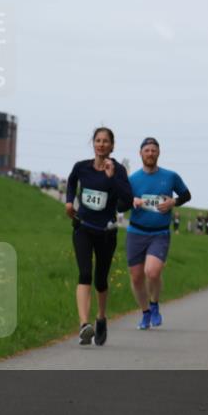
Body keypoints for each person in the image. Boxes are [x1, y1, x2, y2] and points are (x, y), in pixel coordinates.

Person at [65, 127, 133, 346]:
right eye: (98, 140)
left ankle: (101, 317)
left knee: (101, 279)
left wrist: (112, 178)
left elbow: (127, 200)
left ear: (112, 146)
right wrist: (69, 202)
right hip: (83, 227)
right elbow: (71, 180)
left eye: (106, 141)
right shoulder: (81, 167)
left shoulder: (118, 170)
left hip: (106, 232)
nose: (101, 144)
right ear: (93, 143)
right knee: (84, 273)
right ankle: (84, 325)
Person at [126, 137, 191, 330]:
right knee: (137, 277)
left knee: (152, 272)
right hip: (136, 231)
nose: (150, 153)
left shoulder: (170, 176)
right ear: (140, 153)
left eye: (154, 150)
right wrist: (133, 200)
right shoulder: (133, 179)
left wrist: (173, 202)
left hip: (160, 233)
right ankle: (145, 313)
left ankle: (154, 305)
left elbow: (186, 195)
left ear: (159, 153)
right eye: (147, 150)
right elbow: (121, 203)